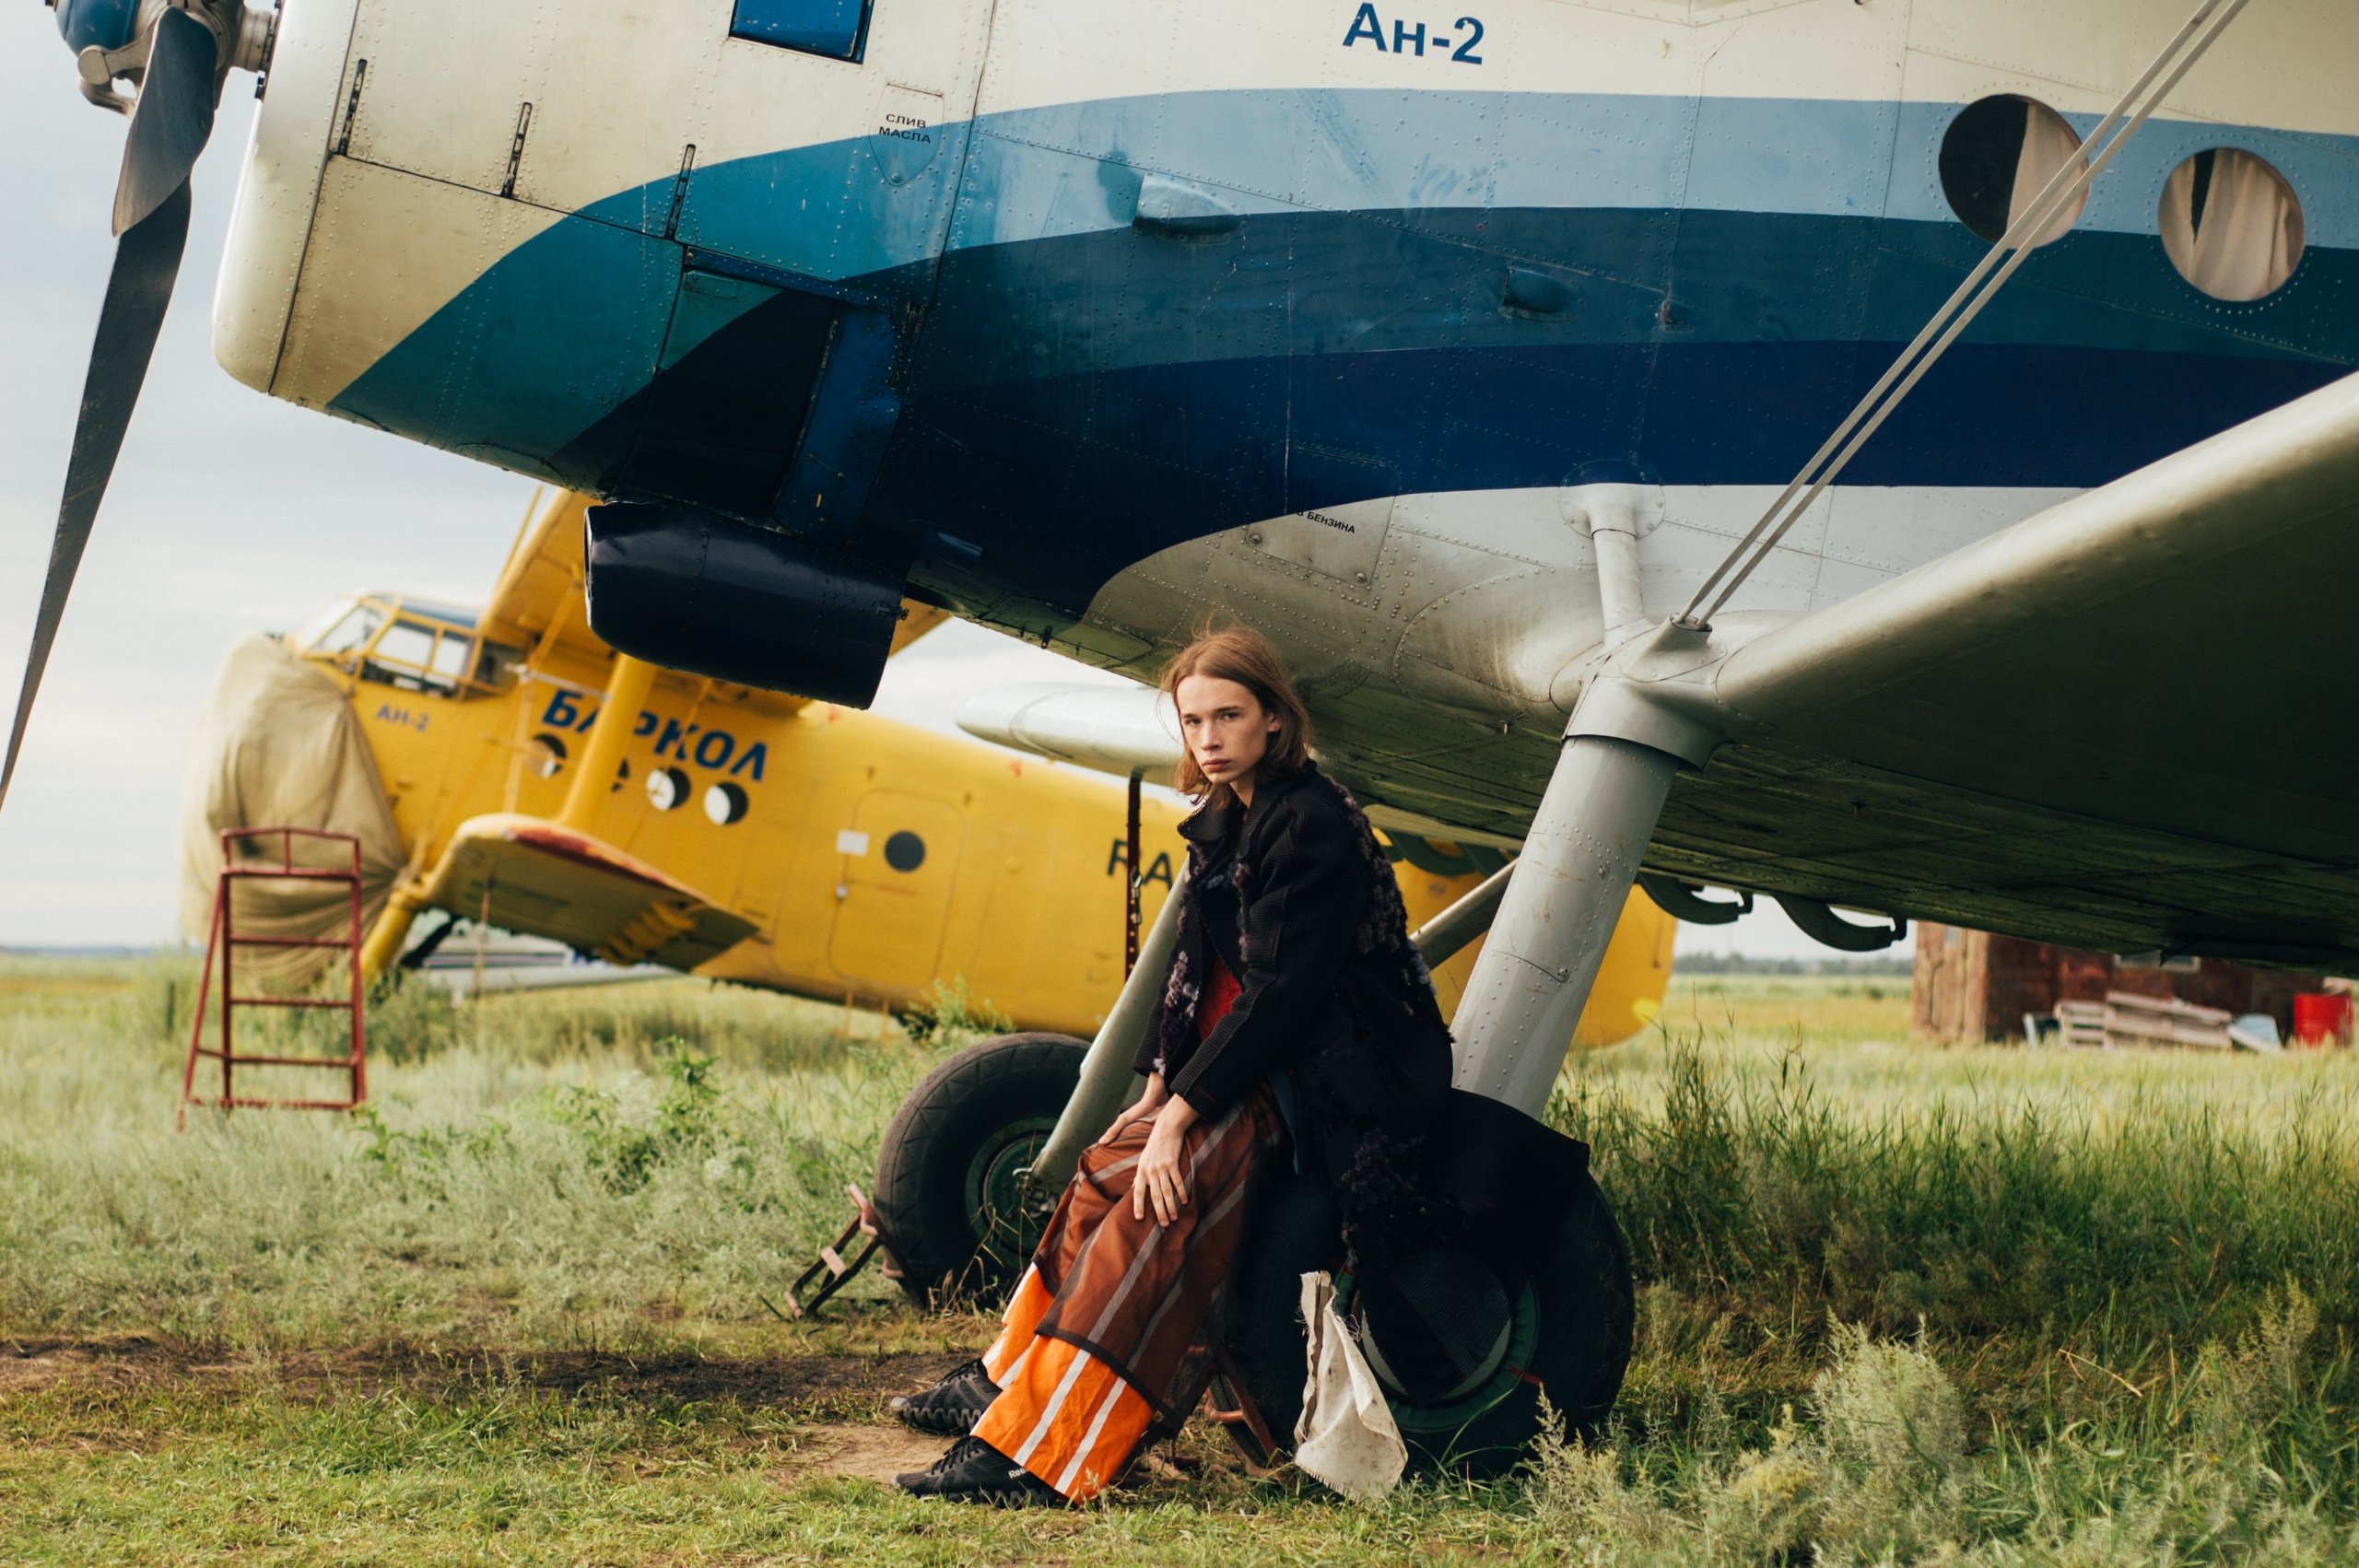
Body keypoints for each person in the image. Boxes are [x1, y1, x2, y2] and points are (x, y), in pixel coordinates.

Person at [888, 626, 1457, 1505]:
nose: (1209, 737)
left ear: (1275, 719)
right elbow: (1196, 975)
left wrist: (1182, 1122)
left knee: (1157, 1210)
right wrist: (1153, 1095)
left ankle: (1040, 1455)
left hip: (1339, 1077)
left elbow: (1277, 1001)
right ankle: (1007, 1383)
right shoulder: (1231, 817)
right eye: (1193, 721)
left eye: (1229, 715)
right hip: (1266, 1066)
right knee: (1103, 1174)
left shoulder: (1309, 826)